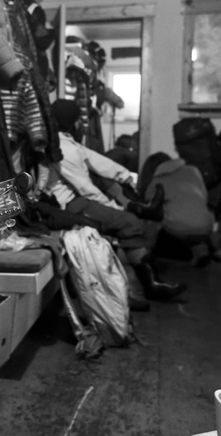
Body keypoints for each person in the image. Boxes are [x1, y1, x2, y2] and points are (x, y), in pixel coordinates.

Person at [37, 99, 186, 303]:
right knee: (129, 222)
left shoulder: (66, 143)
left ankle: (140, 209)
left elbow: (98, 162)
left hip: (75, 199)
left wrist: (125, 176)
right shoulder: (63, 149)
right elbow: (85, 188)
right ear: (73, 122)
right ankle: (150, 283)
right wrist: (114, 208)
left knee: (106, 182)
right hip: (67, 203)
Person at [139, 151, 215, 267]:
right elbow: (204, 197)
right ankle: (199, 247)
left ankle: (148, 254)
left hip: (176, 232)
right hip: (205, 226)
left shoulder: (156, 182)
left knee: (156, 217)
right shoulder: (192, 170)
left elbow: (148, 210)